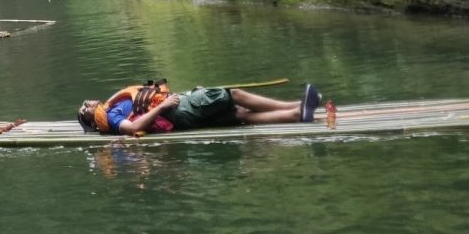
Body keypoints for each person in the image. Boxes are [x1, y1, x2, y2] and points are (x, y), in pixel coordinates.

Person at [78, 80, 322, 136]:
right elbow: (133, 127)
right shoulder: (110, 117)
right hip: (178, 110)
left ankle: (297, 114)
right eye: (83, 109)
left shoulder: (111, 107)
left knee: (240, 116)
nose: (86, 103)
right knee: (233, 95)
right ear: (92, 121)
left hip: (180, 107)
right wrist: (162, 106)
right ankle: (298, 106)